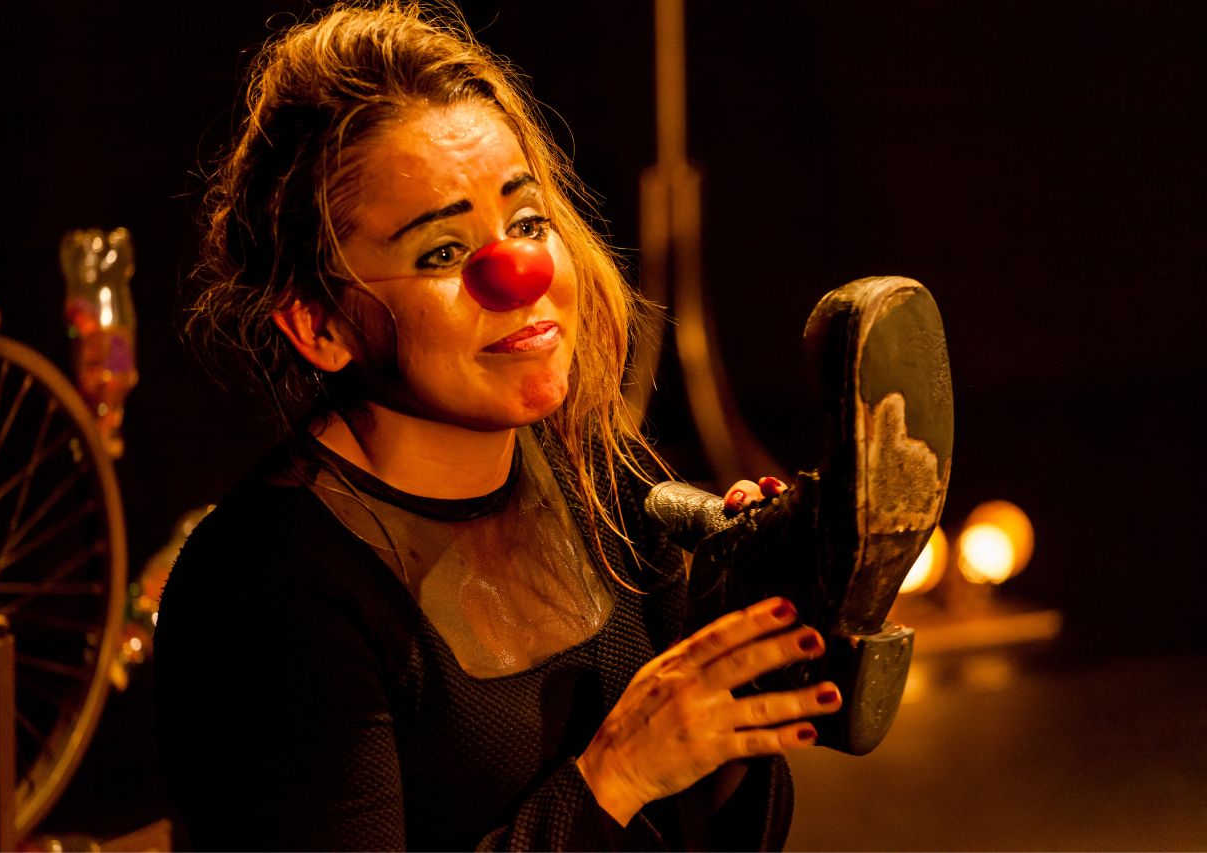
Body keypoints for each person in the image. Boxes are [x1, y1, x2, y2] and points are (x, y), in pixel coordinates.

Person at [155, 2, 952, 849]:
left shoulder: (597, 478)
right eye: (442, 252)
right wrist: (616, 773)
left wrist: (731, 684)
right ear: (319, 325)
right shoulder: (266, 593)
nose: (522, 273)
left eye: (528, 223)